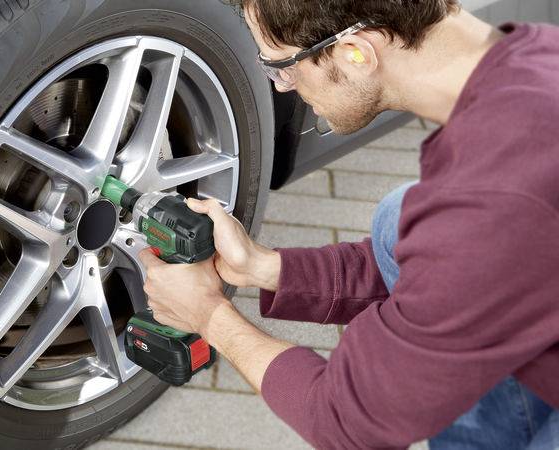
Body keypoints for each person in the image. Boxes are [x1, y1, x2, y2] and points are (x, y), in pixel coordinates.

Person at [136, 1, 559, 448]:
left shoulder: (495, 196)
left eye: (283, 67)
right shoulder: (534, 60)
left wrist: (208, 314)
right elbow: (454, 273)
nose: (281, 87)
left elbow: (349, 422)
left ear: (356, 52)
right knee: (397, 218)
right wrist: (263, 267)